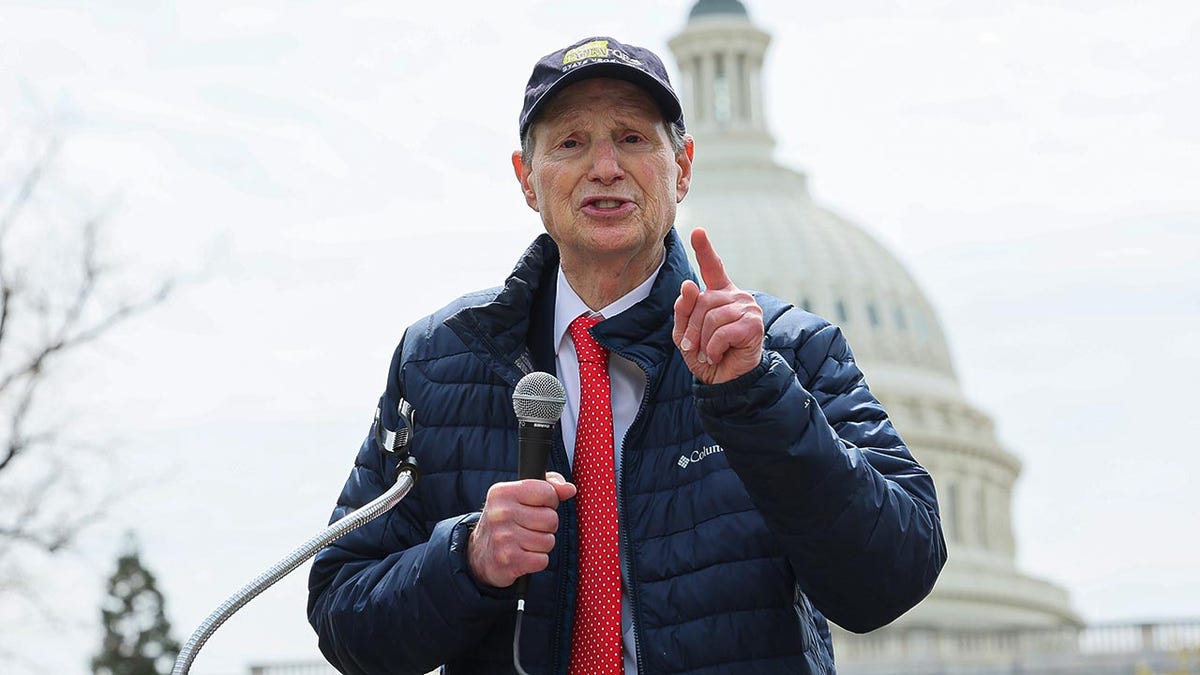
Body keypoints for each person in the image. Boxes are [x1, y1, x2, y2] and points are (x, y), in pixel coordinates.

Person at [307, 36, 946, 675]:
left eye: (633, 138)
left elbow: (891, 580)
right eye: (571, 143)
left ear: (683, 166)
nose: (605, 167)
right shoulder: (438, 361)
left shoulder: (784, 349)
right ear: (526, 178)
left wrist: (756, 398)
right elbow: (344, 615)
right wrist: (467, 559)